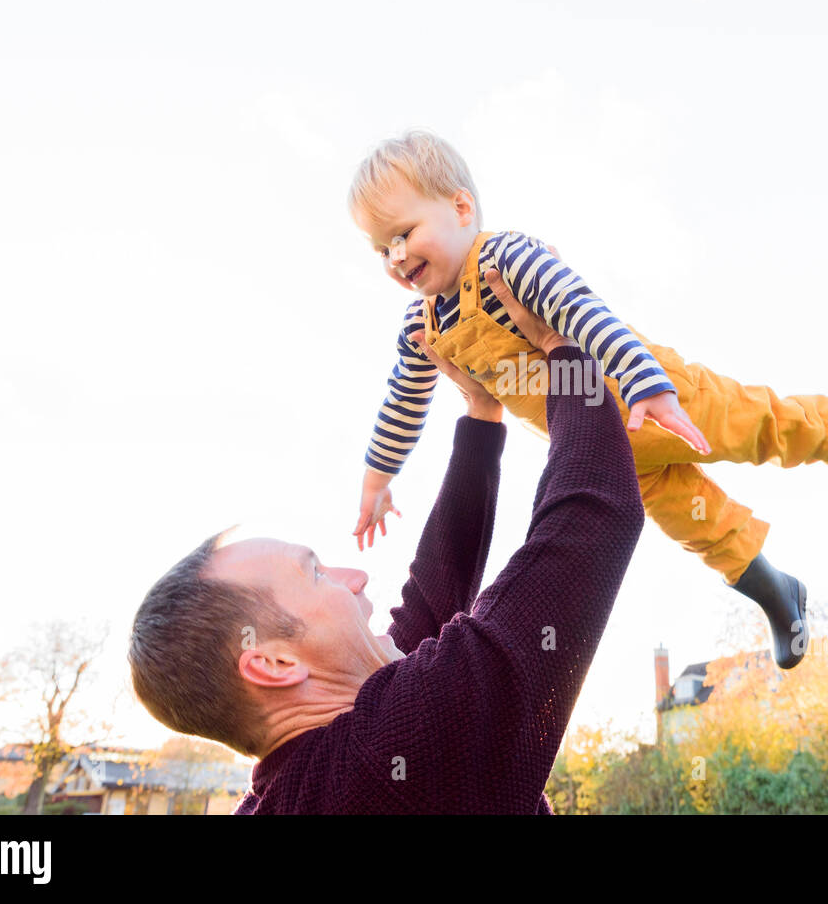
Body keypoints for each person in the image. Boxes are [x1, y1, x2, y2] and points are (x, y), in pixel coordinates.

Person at [348, 129, 828, 669]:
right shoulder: (421, 328)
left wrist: (646, 385)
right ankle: (778, 592)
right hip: (597, 440)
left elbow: (584, 311)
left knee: (770, 427)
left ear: (461, 208)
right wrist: (378, 480)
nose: (396, 257)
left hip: (654, 391)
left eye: (404, 233)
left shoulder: (508, 260)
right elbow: (402, 403)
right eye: (381, 248)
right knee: (693, 520)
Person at [127, 277, 645, 813]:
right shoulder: (393, 757)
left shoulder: (301, 783)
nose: (356, 576)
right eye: (317, 575)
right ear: (276, 664)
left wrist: (481, 417)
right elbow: (593, 519)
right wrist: (562, 343)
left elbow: (429, 608)